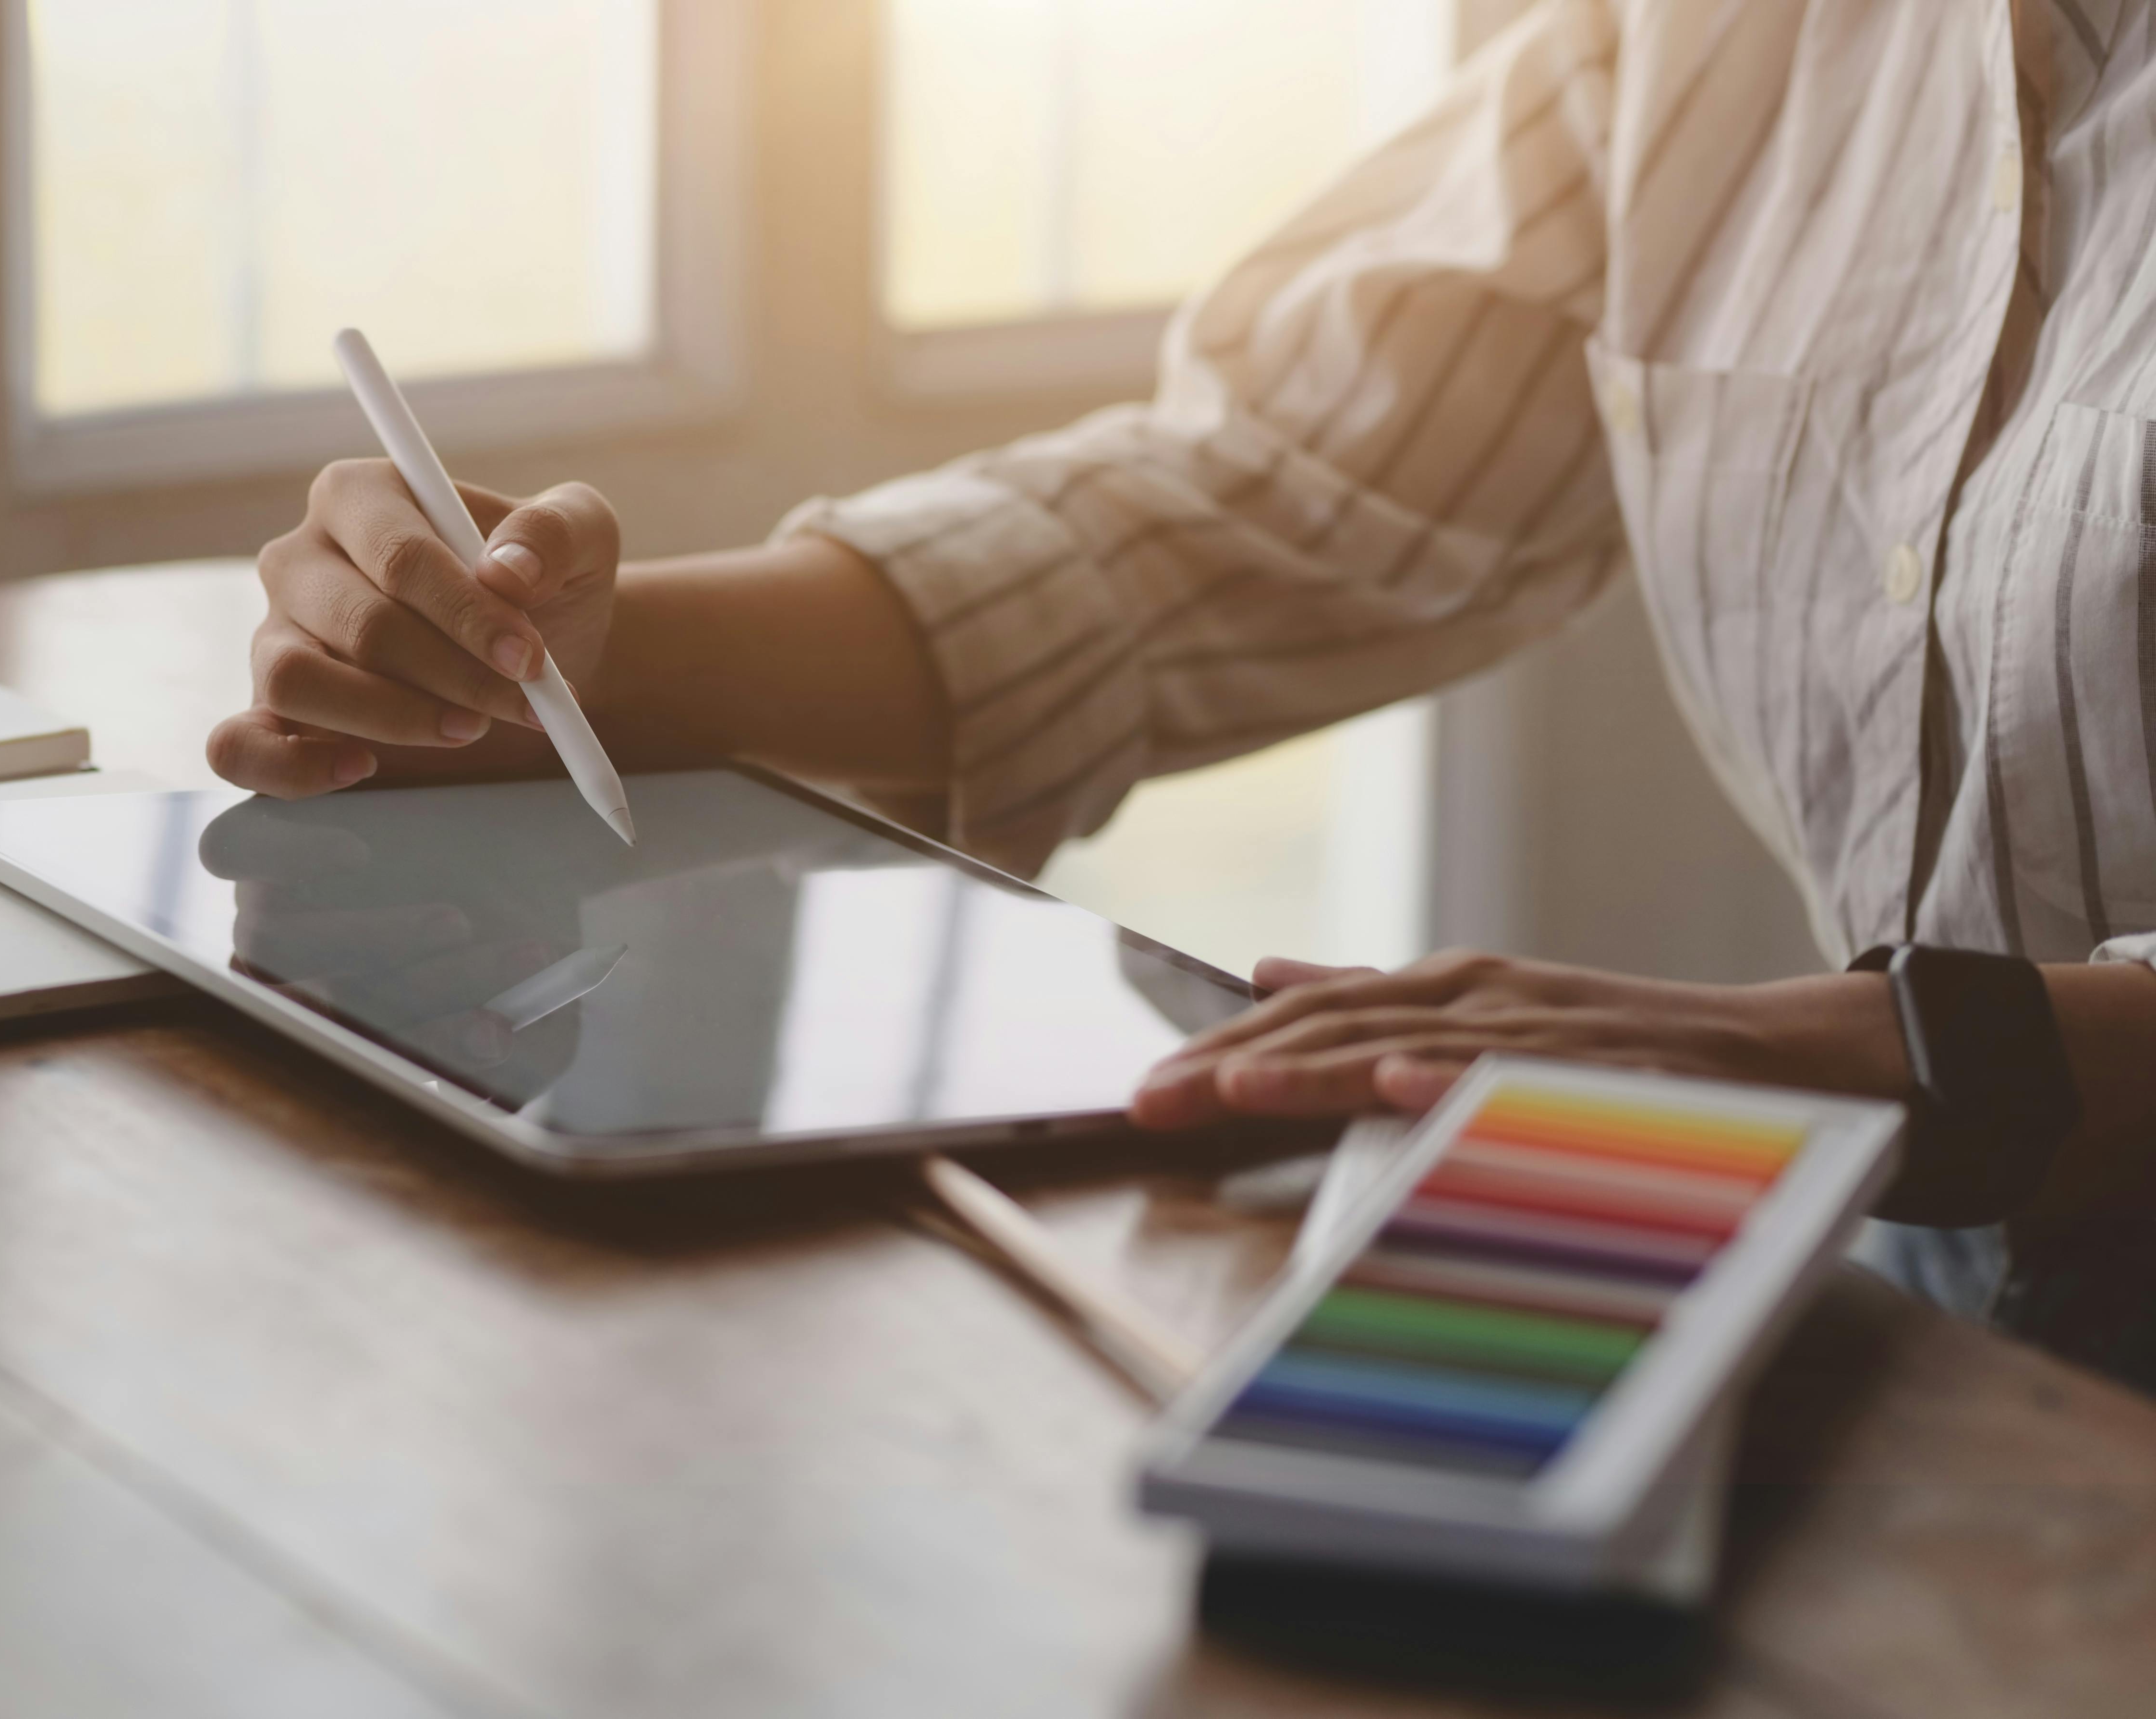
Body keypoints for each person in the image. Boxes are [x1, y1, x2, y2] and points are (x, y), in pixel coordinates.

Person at [206, 0, 2156, 1386]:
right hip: (1914, 1294)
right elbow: (1265, 492)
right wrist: (582, 659)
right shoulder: (1714, 37)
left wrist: (1905, 1056)